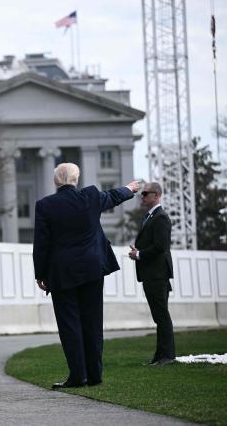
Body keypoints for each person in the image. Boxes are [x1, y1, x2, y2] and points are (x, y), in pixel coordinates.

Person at [33, 163, 139, 389]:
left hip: (62, 273)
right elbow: (112, 196)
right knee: (93, 321)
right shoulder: (90, 196)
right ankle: (94, 374)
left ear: (56, 181)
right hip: (92, 268)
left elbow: (41, 244)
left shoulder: (45, 205)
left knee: (70, 324)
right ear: (76, 179)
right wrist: (130, 189)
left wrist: (40, 274)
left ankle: (78, 375)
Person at [129, 182, 175, 366]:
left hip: (157, 275)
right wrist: (138, 251)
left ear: (156, 195)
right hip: (152, 274)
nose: (143, 196)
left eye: (146, 193)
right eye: (142, 194)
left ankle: (167, 356)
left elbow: (161, 246)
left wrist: (139, 254)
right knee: (159, 315)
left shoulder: (160, 217)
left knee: (161, 315)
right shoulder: (151, 217)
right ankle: (160, 355)